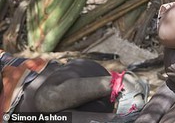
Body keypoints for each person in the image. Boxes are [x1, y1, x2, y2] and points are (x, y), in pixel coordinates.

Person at [1, 49, 149, 122]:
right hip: (80, 113)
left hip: (80, 84)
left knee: (46, 99)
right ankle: (126, 119)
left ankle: (124, 84)